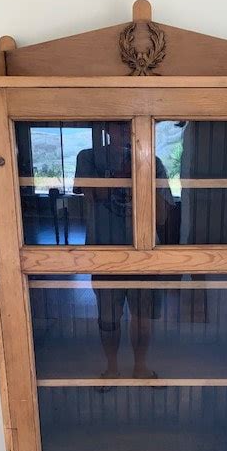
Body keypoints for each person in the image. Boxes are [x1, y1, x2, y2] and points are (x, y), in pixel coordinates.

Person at [73, 122, 174, 379]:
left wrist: (144, 177)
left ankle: (140, 366)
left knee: (143, 317)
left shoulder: (155, 163)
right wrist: (124, 172)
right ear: (107, 128)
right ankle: (112, 368)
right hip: (104, 253)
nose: (126, 131)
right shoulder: (87, 158)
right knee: (107, 318)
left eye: (130, 126)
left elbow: (161, 217)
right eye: (119, 126)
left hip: (145, 254)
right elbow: (94, 196)